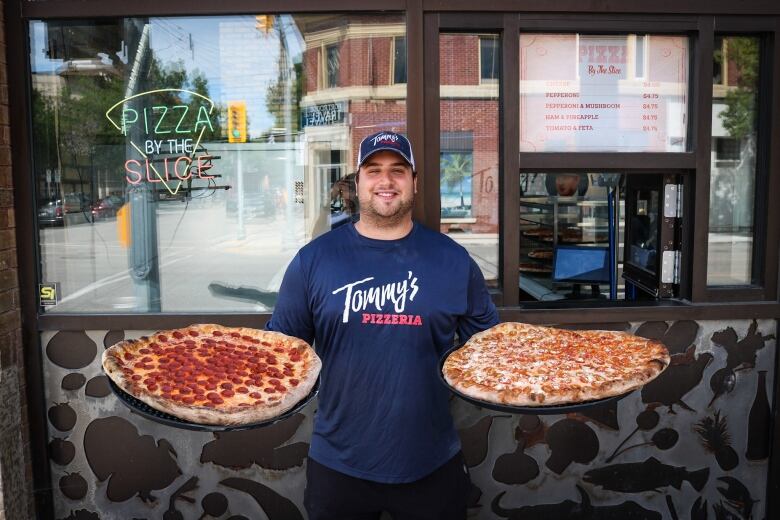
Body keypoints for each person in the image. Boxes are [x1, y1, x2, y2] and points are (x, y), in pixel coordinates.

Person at [266, 131, 498, 520]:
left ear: (415, 182)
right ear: (357, 182)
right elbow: (276, 357)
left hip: (432, 462)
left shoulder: (454, 261)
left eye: (398, 170)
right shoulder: (313, 261)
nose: (386, 181)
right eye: (373, 170)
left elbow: (494, 354)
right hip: (338, 465)